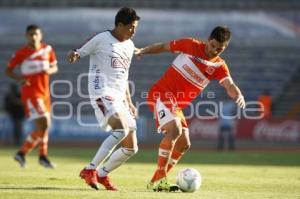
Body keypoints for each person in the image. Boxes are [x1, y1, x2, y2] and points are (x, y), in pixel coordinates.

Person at [135, 26, 246, 191]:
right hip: (161, 93)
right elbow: (163, 46)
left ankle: (155, 180)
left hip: (175, 105)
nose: (214, 51)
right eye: (213, 45)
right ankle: (161, 178)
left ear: (225, 47)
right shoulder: (190, 45)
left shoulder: (219, 66)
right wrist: (144, 50)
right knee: (175, 130)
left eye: (219, 49)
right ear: (209, 39)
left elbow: (229, 84)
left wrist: (238, 95)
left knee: (184, 144)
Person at [67, 7, 140, 191]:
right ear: (119, 25)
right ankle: (90, 169)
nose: (133, 31)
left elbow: (124, 77)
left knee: (132, 148)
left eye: (135, 27)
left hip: (120, 97)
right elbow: (79, 51)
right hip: (102, 92)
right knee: (121, 129)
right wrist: (74, 55)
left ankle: (102, 174)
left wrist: (129, 102)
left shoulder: (130, 46)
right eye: (131, 27)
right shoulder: (101, 38)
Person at [5, 24, 58, 168]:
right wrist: (18, 79)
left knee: (43, 127)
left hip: (45, 93)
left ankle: (22, 153)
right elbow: (8, 70)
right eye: (31, 34)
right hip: (31, 92)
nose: (33, 37)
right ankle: (42, 156)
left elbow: (55, 66)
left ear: (40, 35)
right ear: (26, 36)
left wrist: (49, 70)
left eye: (36, 34)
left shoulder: (48, 49)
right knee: (45, 123)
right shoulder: (21, 53)